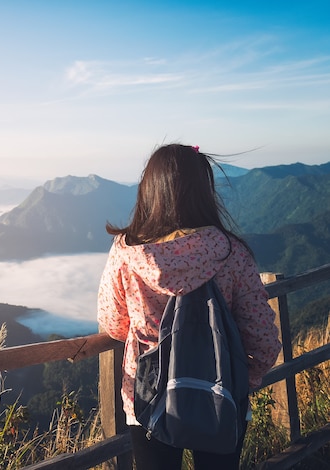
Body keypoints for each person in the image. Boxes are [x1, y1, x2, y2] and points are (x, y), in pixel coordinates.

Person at [97, 143, 282, 470]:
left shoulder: (126, 253)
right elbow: (264, 341)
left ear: (149, 191)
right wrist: (240, 382)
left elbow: (113, 324)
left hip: (148, 397)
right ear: (203, 190)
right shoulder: (231, 254)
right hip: (220, 395)